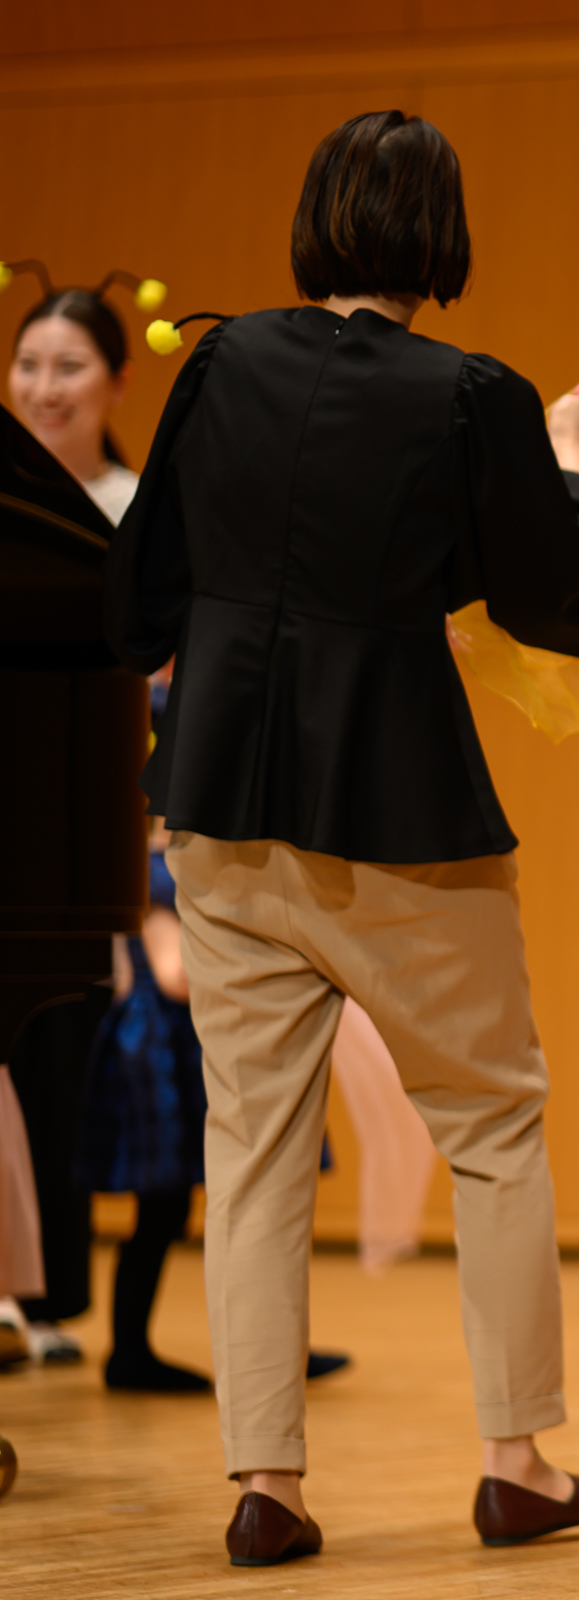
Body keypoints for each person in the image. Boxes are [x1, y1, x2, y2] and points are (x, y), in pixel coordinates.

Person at [104, 109, 579, 1566]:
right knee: (493, 1122)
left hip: (215, 807)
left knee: (255, 1148)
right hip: (401, 812)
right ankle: (515, 1462)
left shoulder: (215, 365)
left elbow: (138, 590)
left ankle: (267, 1485)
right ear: (443, 237)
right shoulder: (473, 392)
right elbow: (558, 596)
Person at [1, 277, 146, 1366]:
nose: (43, 387)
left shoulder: (142, 508)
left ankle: (40, 1292)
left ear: (114, 381)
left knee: (57, 1055)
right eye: (28, 364)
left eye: (68, 367)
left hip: (100, 801)